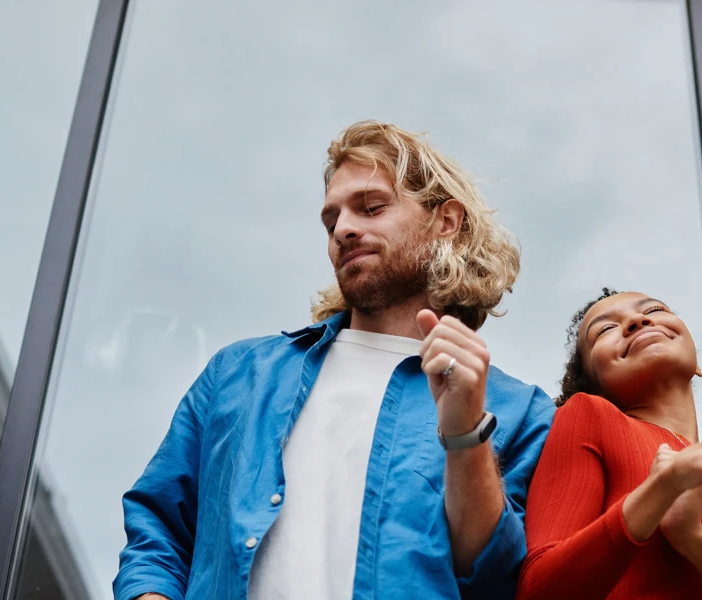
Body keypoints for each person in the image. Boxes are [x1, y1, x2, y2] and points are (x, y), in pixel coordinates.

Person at [114, 121, 555, 600]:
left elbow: (496, 577)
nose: (343, 229)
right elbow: (158, 533)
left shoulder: (520, 412)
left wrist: (465, 433)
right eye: (331, 221)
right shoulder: (240, 374)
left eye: (372, 207)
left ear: (446, 221)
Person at [518, 289, 702, 599]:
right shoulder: (589, 416)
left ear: (696, 365)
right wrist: (659, 491)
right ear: (593, 385)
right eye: (605, 329)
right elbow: (538, 590)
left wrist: (697, 542)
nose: (636, 320)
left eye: (654, 310)